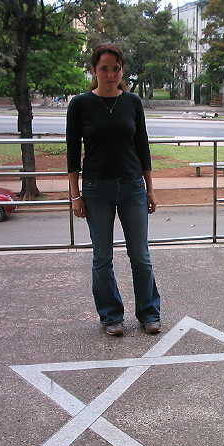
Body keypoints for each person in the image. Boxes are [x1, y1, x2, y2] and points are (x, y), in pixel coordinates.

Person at [66, 43, 161, 336]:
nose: (110, 74)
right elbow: (72, 153)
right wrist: (75, 195)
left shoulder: (132, 102)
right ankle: (111, 317)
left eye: (116, 68)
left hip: (132, 187)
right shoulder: (80, 104)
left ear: (122, 70)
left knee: (140, 256)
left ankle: (149, 313)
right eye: (104, 68)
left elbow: (142, 147)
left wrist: (150, 189)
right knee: (102, 258)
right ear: (94, 70)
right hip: (96, 189)